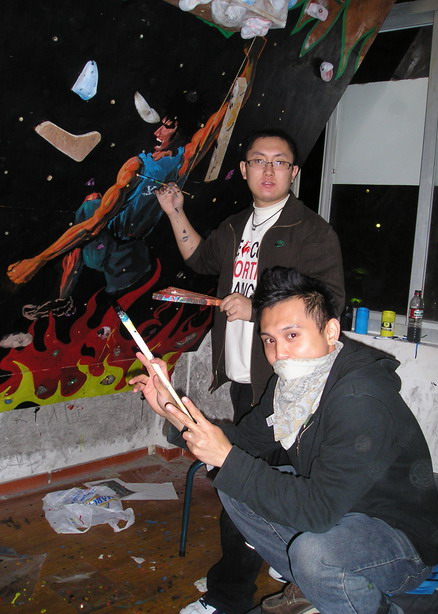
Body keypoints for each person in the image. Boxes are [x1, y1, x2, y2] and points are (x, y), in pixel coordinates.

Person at [129, 266, 438, 614]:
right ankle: (318, 588)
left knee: (314, 555)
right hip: (343, 511)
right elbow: (246, 442)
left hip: (401, 542)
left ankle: (356, 596)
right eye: (269, 340)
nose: (279, 353)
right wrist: (172, 410)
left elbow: (319, 511)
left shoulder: (361, 399)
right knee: (235, 486)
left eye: (292, 335)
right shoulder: (292, 385)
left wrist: (228, 458)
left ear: (330, 331)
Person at [156, 129, 345, 613]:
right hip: (246, 383)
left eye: (279, 161)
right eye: (258, 160)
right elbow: (199, 258)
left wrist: (257, 308)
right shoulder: (236, 226)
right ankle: (286, 559)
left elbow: (329, 306)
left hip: (289, 384)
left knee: (246, 485)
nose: (268, 169)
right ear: (243, 170)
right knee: (259, 482)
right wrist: (175, 211)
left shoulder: (312, 231)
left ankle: (230, 596)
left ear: (293, 172)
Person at [6, 41, 264, 318]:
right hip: (107, 235)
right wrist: (37, 261)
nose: (158, 132)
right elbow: (93, 226)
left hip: (129, 249)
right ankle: (61, 298)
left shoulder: (184, 159)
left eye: (167, 127)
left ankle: (75, 300)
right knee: (91, 207)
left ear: (180, 130)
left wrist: (252, 61)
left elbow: (228, 111)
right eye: (160, 125)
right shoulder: (136, 166)